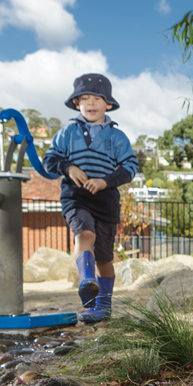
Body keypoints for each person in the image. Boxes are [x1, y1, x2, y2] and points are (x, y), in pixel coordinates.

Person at [43, 73, 139, 324]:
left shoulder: (117, 137)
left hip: (105, 201)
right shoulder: (67, 133)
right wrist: (69, 168)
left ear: (108, 104)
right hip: (76, 196)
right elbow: (50, 160)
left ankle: (102, 307)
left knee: (105, 259)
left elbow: (130, 167)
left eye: (97, 98)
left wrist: (105, 181)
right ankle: (87, 281)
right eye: (84, 98)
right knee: (84, 234)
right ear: (76, 104)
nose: (91, 103)